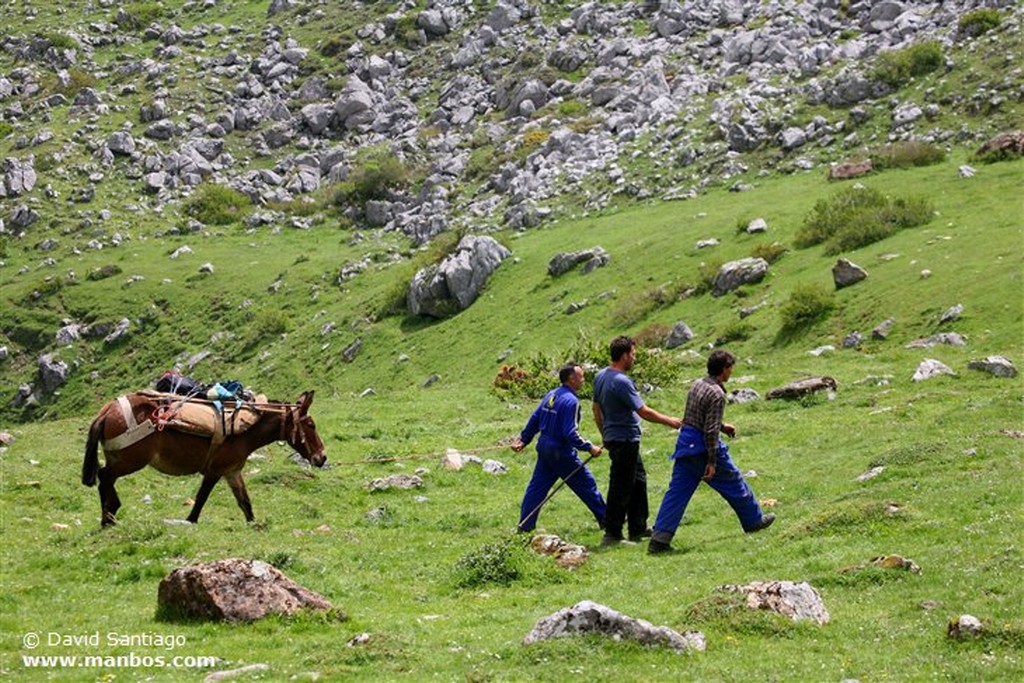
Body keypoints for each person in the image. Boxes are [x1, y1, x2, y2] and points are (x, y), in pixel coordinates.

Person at [648, 350, 775, 555]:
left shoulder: (698, 384)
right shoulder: (717, 393)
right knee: (734, 482)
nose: (731, 372)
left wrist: (722, 426)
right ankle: (754, 521)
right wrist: (712, 461)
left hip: (685, 443)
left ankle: (659, 539)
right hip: (703, 446)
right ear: (724, 369)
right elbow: (709, 430)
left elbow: (696, 416)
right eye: (730, 368)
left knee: (677, 493)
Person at [592, 336, 682, 546]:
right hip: (624, 439)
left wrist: (604, 433)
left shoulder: (600, 376)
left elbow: (596, 408)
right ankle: (612, 534)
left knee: (638, 481)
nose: (634, 358)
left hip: (617, 438)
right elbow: (643, 411)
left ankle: (638, 527)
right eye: (632, 354)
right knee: (621, 486)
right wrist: (670, 421)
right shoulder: (622, 381)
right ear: (624, 356)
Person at [512, 362, 606, 533]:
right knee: (586, 484)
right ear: (571, 379)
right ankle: (607, 521)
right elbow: (570, 433)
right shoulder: (571, 401)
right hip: (561, 453)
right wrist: (590, 447)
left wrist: (524, 440)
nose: (583, 380)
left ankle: (524, 527)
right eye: (581, 376)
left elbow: (535, 418)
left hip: (544, 448)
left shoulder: (552, 394)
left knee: (536, 488)